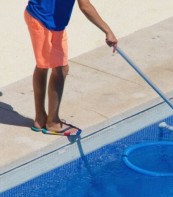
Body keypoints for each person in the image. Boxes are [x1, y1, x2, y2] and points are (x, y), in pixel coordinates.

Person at [25, 0, 118, 136]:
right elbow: (85, 6)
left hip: (42, 18)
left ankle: (40, 119)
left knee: (43, 65)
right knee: (60, 70)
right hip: (45, 22)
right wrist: (108, 31)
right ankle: (52, 122)